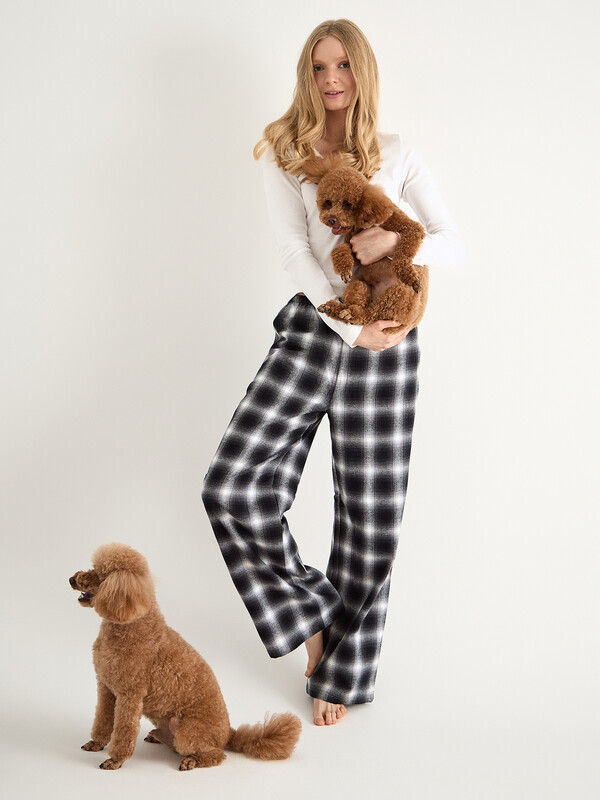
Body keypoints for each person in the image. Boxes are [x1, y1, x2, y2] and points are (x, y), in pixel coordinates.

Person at [201, 19, 465, 727]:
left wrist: (394, 247)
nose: (331, 79)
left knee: (371, 518)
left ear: (362, 70)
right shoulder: (284, 152)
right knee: (230, 483)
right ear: (306, 75)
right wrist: (348, 325)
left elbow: (453, 241)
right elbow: (295, 250)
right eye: (318, 67)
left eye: (342, 64)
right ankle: (309, 614)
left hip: (389, 345)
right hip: (317, 330)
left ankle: (343, 671)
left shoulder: (398, 153)